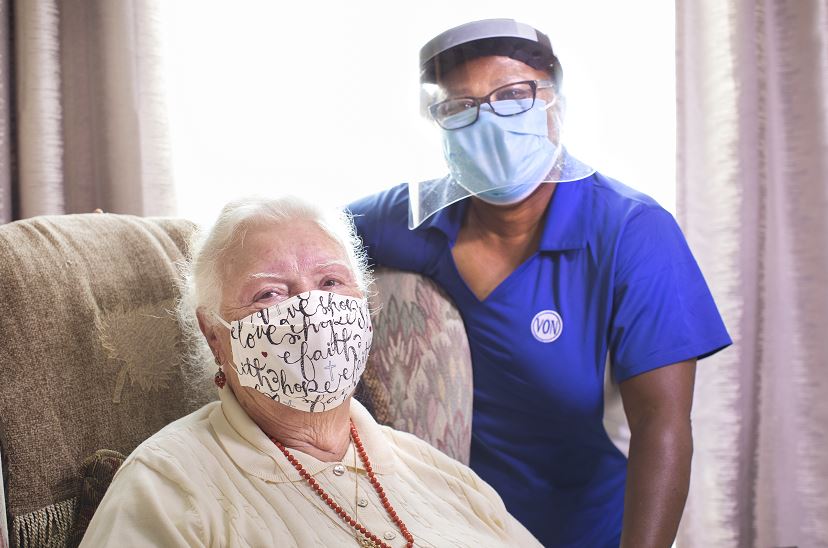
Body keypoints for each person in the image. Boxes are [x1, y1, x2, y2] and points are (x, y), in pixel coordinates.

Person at [348, 18, 732, 548]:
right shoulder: (414, 220)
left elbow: (661, 424)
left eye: (513, 96)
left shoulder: (629, 232)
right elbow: (303, 239)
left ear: (555, 107)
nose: (489, 122)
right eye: (460, 105)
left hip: (586, 534)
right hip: (452, 530)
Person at [80, 196, 542, 547]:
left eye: (330, 282)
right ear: (214, 335)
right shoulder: (167, 485)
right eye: (269, 294)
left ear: (364, 308)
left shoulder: (440, 475)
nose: (312, 312)